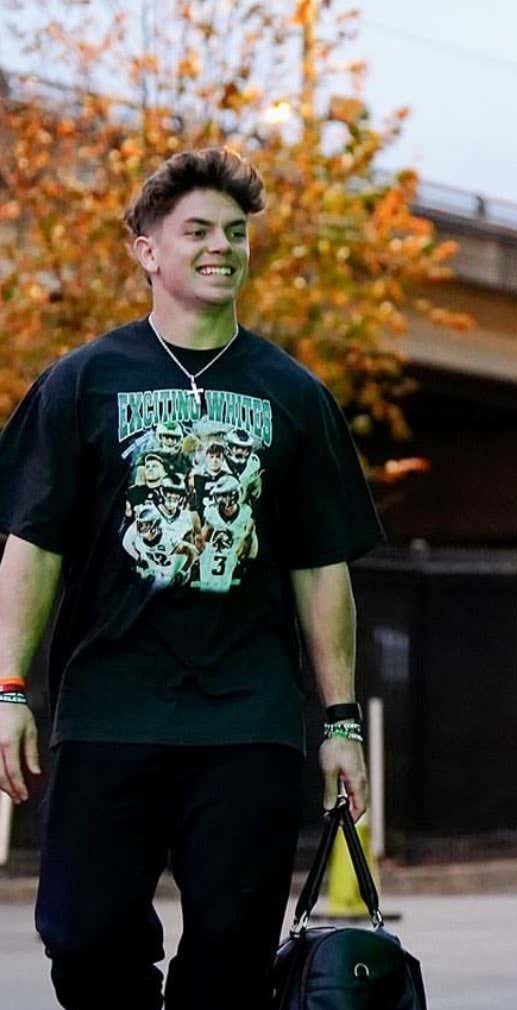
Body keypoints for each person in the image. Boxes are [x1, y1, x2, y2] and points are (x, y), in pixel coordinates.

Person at [0, 147, 383, 1010]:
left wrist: (340, 722)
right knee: (82, 935)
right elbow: (33, 549)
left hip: (246, 722)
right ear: (145, 249)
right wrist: (10, 691)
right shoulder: (83, 383)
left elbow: (323, 574)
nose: (222, 247)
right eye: (199, 230)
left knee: (233, 956)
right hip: (108, 711)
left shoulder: (294, 395)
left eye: (236, 233)